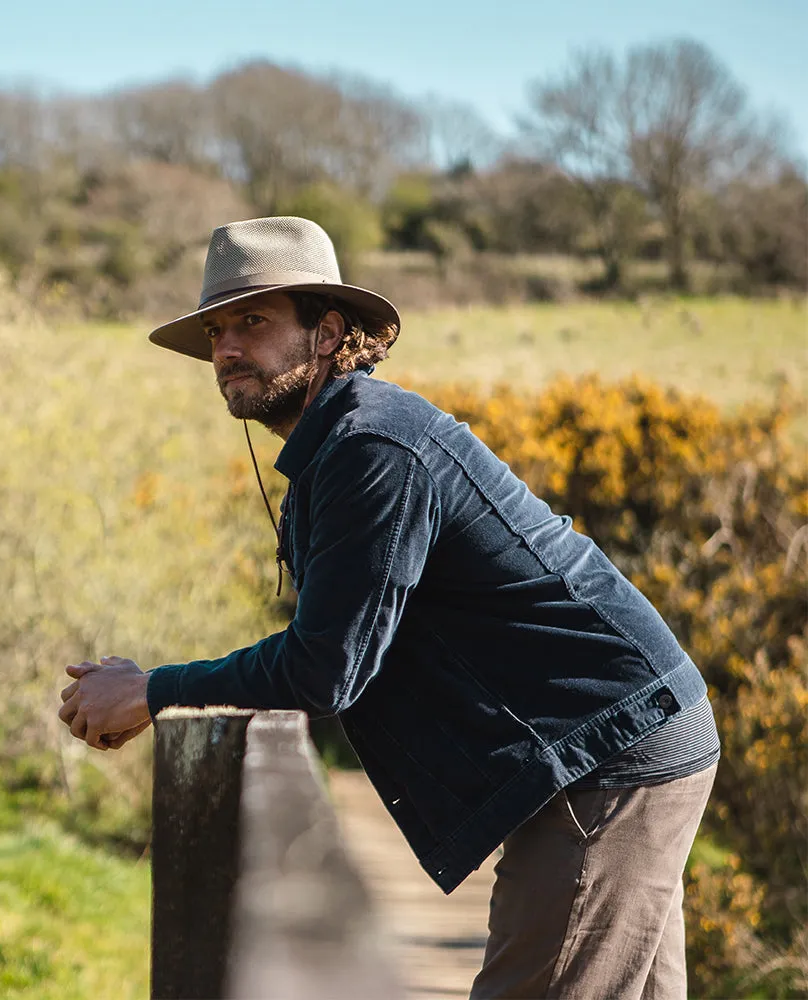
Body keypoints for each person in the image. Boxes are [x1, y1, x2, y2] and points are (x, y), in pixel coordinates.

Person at [57, 216, 719, 999]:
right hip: (618, 739)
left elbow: (323, 668)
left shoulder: (372, 450)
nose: (227, 348)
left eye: (254, 321)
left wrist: (151, 691)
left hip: (610, 754)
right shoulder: (338, 450)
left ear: (329, 332)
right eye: (217, 329)